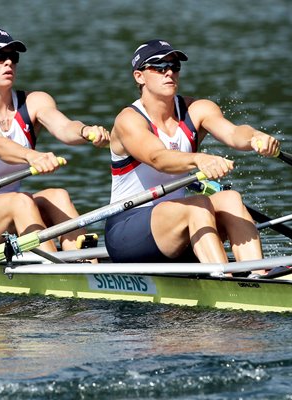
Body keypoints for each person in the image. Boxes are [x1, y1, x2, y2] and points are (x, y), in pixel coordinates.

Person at [104, 39, 280, 269]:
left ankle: (258, 274)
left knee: (230, 199)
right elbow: (159, 158)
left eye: (174, 66)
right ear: (139, 76)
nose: (169, 72)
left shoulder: (197, 109)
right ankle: (223, 280)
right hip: (128, 231)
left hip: (180, 224)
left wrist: (256, 137)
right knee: (198, 204)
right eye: (158, 67)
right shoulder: (129, 120)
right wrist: (198, 159)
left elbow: (234, 133)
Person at [0, 28, 109, 254]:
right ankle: (58, 274)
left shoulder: (34, 101)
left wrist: (85, 130)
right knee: (19, 201)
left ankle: (87, 266)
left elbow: (64, 128)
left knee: (57, 195)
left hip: (15, 208)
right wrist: (33, 156)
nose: (8, 63)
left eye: (13, 57)